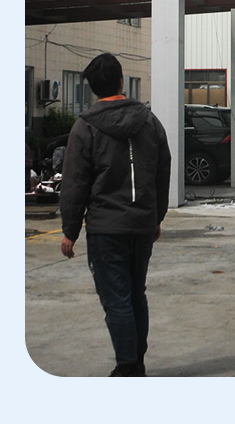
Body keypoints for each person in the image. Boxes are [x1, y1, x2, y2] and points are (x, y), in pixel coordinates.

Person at [59, 53, 171, 376]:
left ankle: (127, 367)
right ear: (122, 81)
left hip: (106, 228)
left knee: (117, 298)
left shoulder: (85, 127)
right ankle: (136, 362)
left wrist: (70, 230)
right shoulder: (150, 122)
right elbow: (162, 171)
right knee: (136, 294)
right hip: (141, 225)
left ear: (93, 88)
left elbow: (75, 182)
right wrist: (156, 217)